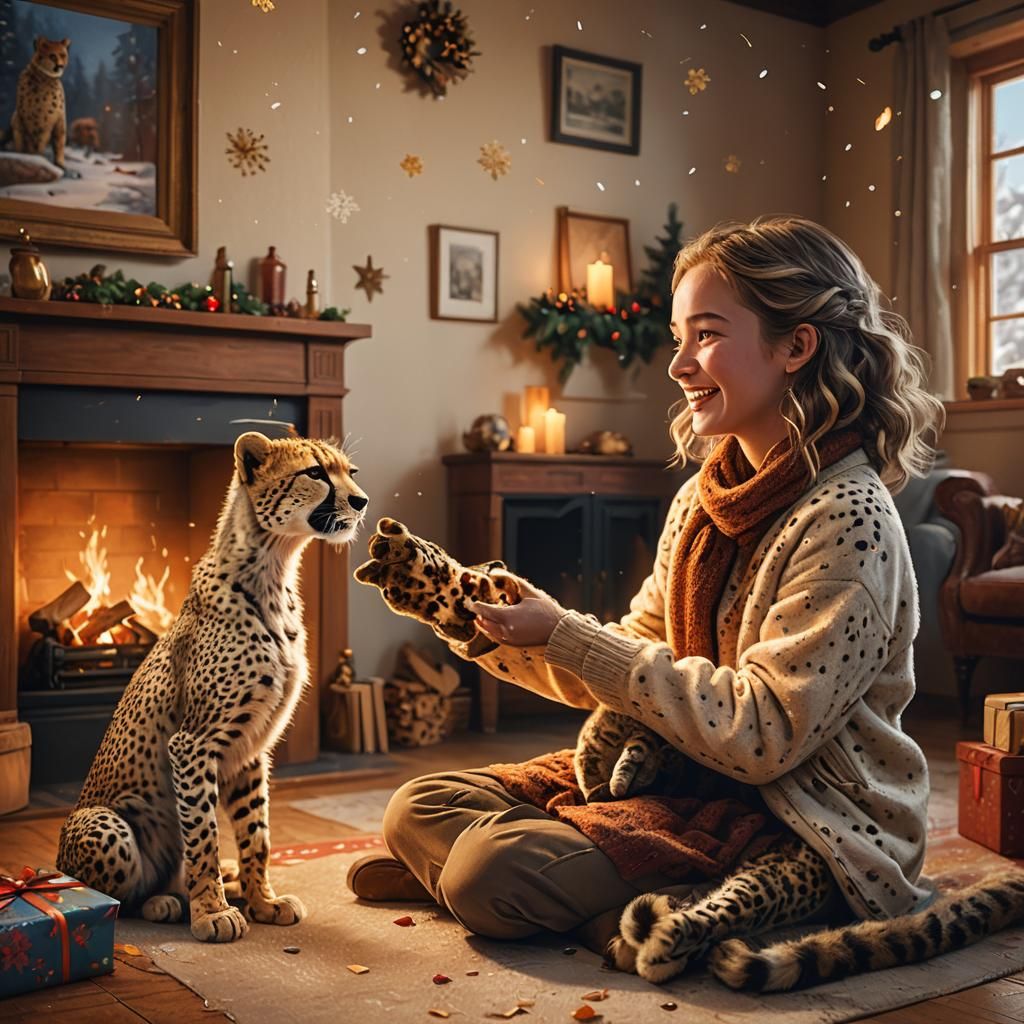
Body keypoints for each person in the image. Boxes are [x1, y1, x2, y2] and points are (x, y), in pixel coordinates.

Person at [347, 215, 946, 951]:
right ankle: (582, 902)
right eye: (677, 338)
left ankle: (540, 893)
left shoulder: (849, 518)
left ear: (795, 346)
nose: (679, 364)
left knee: (488, 870)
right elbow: (632, 659)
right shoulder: (702, 497)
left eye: (708, 335)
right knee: (418, 804)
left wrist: (566, 635)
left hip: (803, 818)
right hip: (676, 777)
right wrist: (488, 620)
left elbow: (763, 737)